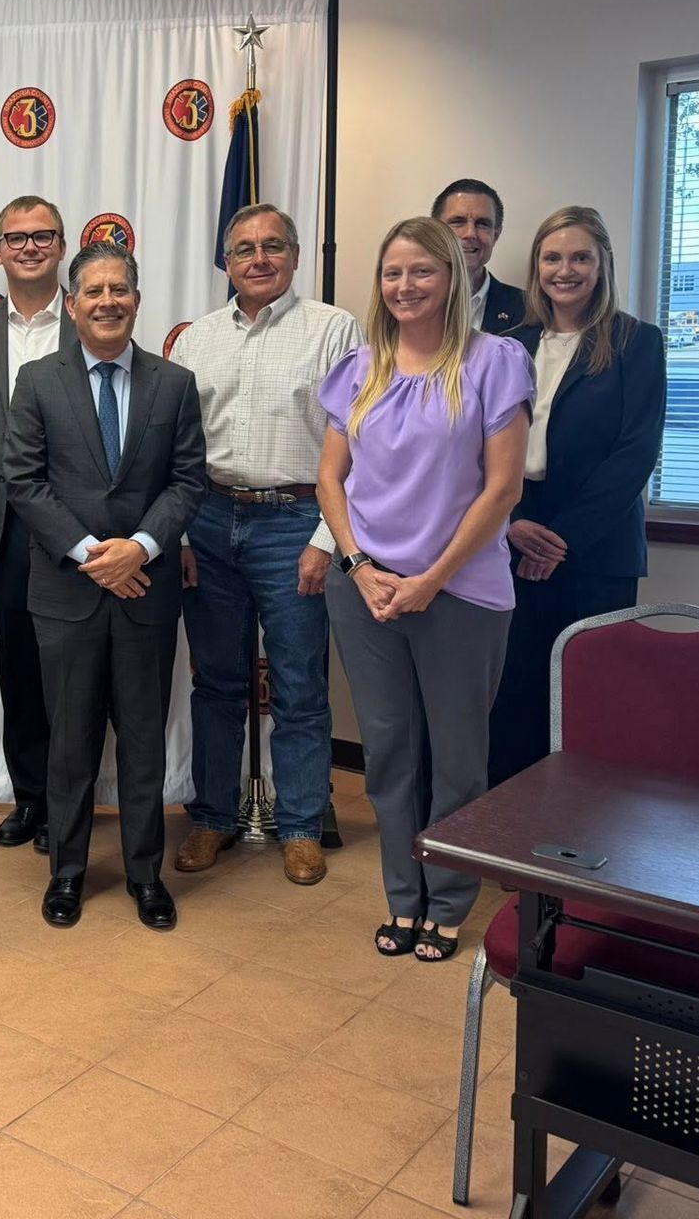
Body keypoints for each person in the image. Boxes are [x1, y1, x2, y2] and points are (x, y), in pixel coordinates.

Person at [318, 217, 532, 963]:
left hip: (460, 594)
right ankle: (401, 900)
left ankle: (447, 901)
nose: (405, 286)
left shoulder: (495, 362)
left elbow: (502, 488)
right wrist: (356, 566)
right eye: (392, 273)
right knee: (389, 754)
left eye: (422, 271)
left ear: (454, 276)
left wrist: (430, 580)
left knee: (457, 759)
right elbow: (330, 479)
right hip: (367, 591)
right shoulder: (358, 369)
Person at [5, 241, 205, 930]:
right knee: (70, 739)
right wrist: (95, 555)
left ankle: (146, 875)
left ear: (137, 301)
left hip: (147, 591)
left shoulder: (173, 384)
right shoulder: (36, 380)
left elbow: (188, 482)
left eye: (119, 290)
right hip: (67, 593)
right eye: (93, 292)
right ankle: (67, 872)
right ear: (72, 302)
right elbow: (23, 482)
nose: (107, 302)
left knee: (144, 737)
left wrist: (142, 549)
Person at [171, 204, 362, 886]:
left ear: (295, 255)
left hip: (295, 525)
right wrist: (181, 533)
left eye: (273, 246)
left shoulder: (334, 331)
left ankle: (303, 823)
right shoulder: (196, 338)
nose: (259, 258)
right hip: (211, 524)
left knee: (300, 685)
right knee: (217, 682)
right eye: (244, 248)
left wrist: (323, 542)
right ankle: (214, 817)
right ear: (226, 261)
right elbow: (180, 449)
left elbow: (356, 445)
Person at [488, 207, 667, 784]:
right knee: (514, 698)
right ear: (537, 265)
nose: (565, 270)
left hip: (594, 552)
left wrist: (560, 540)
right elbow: (478, 445)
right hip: (513, 541)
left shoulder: (636, 342)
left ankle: (581, 843)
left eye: (581, 257)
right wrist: (511, 522)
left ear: (603, 264)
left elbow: (635, 453)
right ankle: (510, 842)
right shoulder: (508, 344)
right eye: (553, 257)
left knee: (590, 699)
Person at [0, 195, 74, 854]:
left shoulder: (90, 320)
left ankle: (68, 804)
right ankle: (31, 799)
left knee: (72, 675)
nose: (29, 247)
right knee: (22, 673)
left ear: (62, 245)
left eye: (42, 236)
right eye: (16, 237)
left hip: (76, 533)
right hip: (3, 533)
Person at [432, 179, 525, 334]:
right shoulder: (411, 298)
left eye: (483, 224)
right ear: (435, 231)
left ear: (496, 234)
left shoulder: (527, 309)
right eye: (457, 222)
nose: (470, 233)